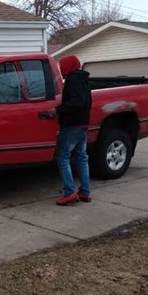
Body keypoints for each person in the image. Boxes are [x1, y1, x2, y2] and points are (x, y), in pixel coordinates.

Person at [52, 55, 92, 206]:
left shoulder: (73, 79)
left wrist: (58, 109)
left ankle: (69, 192)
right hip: (83, 124)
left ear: (69, 66)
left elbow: (77, 102)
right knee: (81, 157)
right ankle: (85, 191)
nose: (61, 69)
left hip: (72, 125)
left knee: (62, 156)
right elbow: (85, 102)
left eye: (62, 66)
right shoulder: (83, 79)